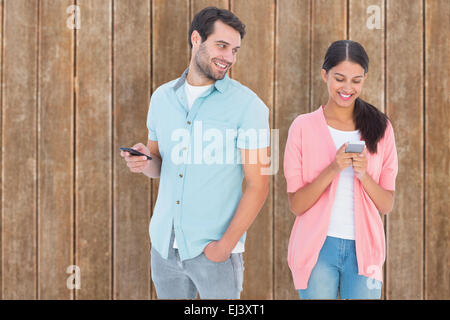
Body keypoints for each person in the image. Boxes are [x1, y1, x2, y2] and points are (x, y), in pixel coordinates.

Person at [120, 7, 270, 299]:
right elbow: (158, 165)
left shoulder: (250, 106)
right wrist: (143, 161)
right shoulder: (161, 98)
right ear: (196, 38)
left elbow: (258, 184)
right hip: (164, 249)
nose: (228, 57)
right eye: (221, 46)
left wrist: (224, 246)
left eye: (235, 50)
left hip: (214, 253)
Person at [284, 40, 398, 299]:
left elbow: (387, 204)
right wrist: (333, 168)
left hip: (365, 251)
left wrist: (364, 176)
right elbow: (296, 204)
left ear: (364, 79)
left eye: (356, 80)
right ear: (325, 75)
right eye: (339, 78)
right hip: (316, 250)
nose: (347, 88)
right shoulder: (302, 127)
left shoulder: (381, 129)